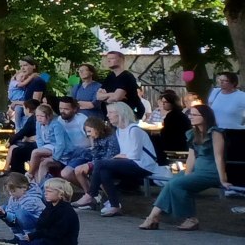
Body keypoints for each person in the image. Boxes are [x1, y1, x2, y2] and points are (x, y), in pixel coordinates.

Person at [138, 103, 230, 231]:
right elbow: (191, 156)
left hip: (211, 172)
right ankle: (152, 217)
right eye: (190, 114)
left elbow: (218, 157)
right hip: (197, 170)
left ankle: (190, 218)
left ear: (205, 116)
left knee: (176, 185)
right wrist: (187, 173)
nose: (190, 117)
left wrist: (223, 179)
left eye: (194, 114)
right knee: (172, 182)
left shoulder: (215, 133)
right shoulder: (193, 133)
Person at [79, 102, 165, 216]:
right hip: (130, 163)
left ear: (120, 114)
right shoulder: (119, 131)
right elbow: (124, 153)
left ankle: (91, 194)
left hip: (143, 165)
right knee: (104, 170)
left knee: (100, 163)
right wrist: (122, 156)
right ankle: (115, 206)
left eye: (110, 112)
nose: (108, 115)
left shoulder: (134, 130)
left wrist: (121, 156)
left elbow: (134, 155)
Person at [0, 172, 45, 245]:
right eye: (9, 191)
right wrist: (2, 214)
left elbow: (17, 218)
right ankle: (19, 237)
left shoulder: (32, 200)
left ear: (24, 188)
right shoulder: (13, 198)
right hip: (20, 226)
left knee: (20, 213)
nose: (11, 194)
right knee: (4, 208)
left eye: (13, 191)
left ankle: (30, 238)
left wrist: (6, 214)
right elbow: (11, 214)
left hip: (36, 227)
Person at [31, 179, 81, 245]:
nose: (45, 193)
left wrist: (36, 234)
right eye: (45, 191)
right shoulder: (50, 206)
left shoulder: (66, 211)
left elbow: (56, 233)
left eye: (49, 191)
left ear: (61, 194)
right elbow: (40, 223)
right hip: (50, 239)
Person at [98, 51, 143, 120]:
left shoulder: (126, 76)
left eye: (112, 58)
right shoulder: (110, 77)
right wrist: (111, 95)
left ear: (121, 60)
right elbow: (98, 96)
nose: (109, 61)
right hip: (111, 116)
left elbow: (116, 97)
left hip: (125, 116)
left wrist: (106, 97)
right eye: (108, 59)